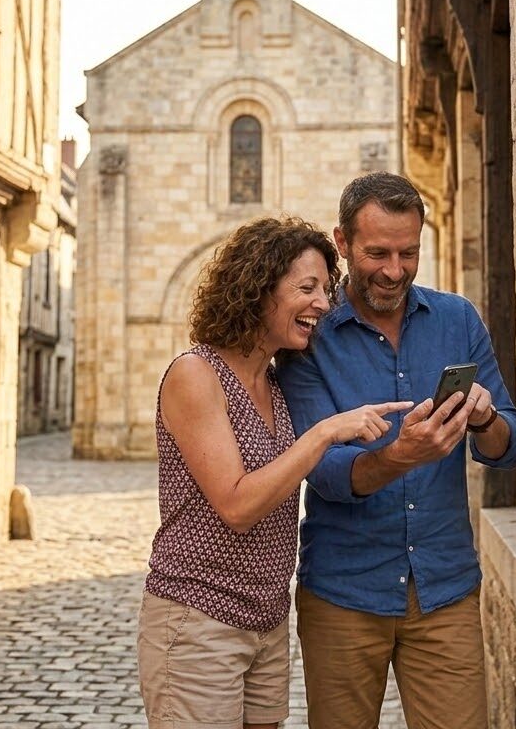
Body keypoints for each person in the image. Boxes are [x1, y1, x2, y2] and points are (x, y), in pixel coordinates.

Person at [137, 216, 413, 729]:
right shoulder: (196, 374)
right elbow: (237, 505)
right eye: (307, 289)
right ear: (258, 289)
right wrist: (324, 433)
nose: (323, 304)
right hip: (198, 620)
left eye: (325, 290)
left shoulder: (275, 381)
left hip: (267, 620)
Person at [276, 173, 516, 729]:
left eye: (408, 252)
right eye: (378, 253)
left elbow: (510, 444)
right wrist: (402, 455)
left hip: (445, 591)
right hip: (343, 595)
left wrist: (485, 419)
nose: (394, 270)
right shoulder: (309, 335)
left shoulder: (457, 319)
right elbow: (325, 472)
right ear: (343, 243)